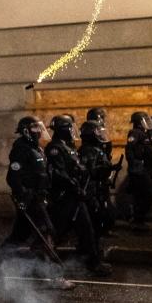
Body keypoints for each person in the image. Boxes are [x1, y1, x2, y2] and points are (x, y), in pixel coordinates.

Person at [0, 116, 74, 290]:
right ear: (25, 130)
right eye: (34, 128)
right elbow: (13, 177)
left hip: (38, 198)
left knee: (18, 236)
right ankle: (55, 276)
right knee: (46, 233)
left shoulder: (36, 148)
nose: (39, 131)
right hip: (30, 200)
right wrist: (22, 196)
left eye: (39, 128)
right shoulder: (21, 149)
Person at [45, 116, 110, 276]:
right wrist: (74, 185)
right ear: (62, 129)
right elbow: (59, 173)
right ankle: (40, 263)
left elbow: (78, 167)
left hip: (75, 196)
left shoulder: (69, 147)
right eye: (69, 128)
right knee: (57, 232)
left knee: (86, 229)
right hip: (63, 197)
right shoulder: (55, 148)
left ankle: (94, 263)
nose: (72, 131)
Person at [79, 119, 120, 237]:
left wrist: (111, 168)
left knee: (107, 211)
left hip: (100, 185)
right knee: (97, 211)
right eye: (97, 131)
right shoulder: (88, 150)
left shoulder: (96, 149)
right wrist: (108, 169)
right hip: (93, 187)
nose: (100, 134)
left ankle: (101, 232)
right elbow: (92, 171)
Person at [124, 111, 152, 231]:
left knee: (147, 193)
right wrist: (134, 165)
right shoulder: (135, 133)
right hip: (139, 169)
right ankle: (137, 220)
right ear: (139, 123)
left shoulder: (146, 134)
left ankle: (139, 220)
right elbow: (130, 151)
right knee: (146, 193)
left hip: (146, 168)